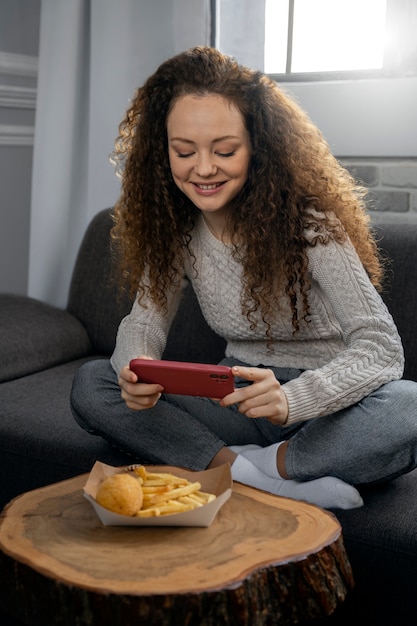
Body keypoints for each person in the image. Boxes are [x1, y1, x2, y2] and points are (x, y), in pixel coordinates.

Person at [70, 46, 417, 510]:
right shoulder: (178, 232)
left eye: (226, 150)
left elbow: (380, 346)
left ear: (258, 148)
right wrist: (135, 367)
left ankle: (265, 467)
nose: (205, 168)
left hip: (328, 406)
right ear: (162, 152)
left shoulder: (313, 227)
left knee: (409, 405)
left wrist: (294, 399)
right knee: (95, 383)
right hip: (236, 403)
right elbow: (144, 320)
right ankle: (261, 475)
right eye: (184, 151)